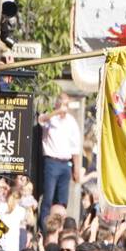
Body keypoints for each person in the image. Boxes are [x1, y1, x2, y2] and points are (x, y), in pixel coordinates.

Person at [36, 95, 82, 231]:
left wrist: (76, 169)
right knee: (48, 198)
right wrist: (56, 112)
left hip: (65, 164)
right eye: (62, 104)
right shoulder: (51, 119)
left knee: (62, 200)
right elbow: (41, 120)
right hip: (51, 162)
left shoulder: (71, 122)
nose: (64, 107)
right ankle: (44, 229)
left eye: (66, 104)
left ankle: (59, 229)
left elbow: (75, 148)